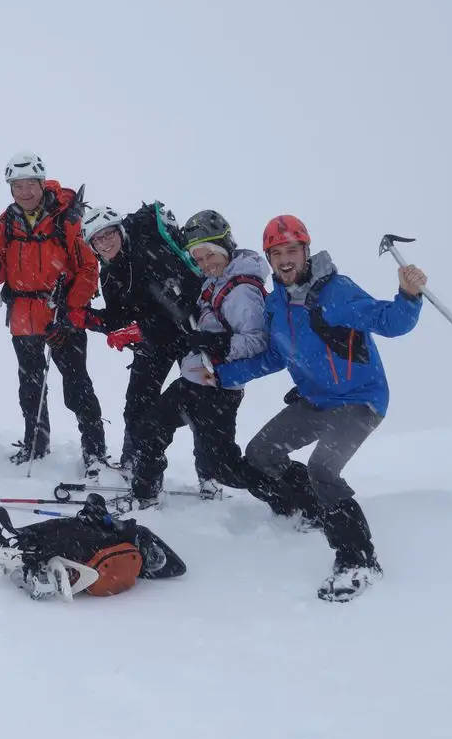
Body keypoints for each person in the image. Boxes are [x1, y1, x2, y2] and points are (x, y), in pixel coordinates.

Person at [210, 214, 427, 602]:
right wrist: (224, 375)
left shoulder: (336, 292)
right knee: (260, 454)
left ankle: (359, 559)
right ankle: (308, 508)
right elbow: (276, 356)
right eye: (276, 253)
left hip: (360, 400)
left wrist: (409, 296)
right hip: (315, 400)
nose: (285, 259)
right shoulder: (276, 304)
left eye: (292, 249)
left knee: (322, 468)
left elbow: (388, 321)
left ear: (306, 251)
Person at [121, 209, 291, 511]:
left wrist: (218, 343)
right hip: (196, 380)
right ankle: (144, 496)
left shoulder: (243, 291)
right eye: (198, 259)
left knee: (224, 468)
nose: (205, 265)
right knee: (150, 429)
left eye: (209, 256)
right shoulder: (215, 281)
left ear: (224, 246)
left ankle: (290, 493)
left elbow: (257, 341)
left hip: (218, 389)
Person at [0, 152, 108, 475]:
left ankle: (94, 450)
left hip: (63, 311)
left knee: (76, 385)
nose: (24, 192)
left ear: (41, 182)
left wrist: (69, 311)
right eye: (17, 186)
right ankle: (36, 441)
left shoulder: (67, 220)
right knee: (30, 385)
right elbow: (3, 274)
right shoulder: (6, 221)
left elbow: (89, 269)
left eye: (30, 184)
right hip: (23, 312)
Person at [79, 203, 203, 473]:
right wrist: (89, 319)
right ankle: (134, 463)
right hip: (154, 343)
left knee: (200, 406)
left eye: (109, 234)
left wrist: (139, 329)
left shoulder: (151, 253)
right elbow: (118, 317)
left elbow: (176, 307)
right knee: (136, 405)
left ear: (120, 231)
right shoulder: (109, 273)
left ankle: (208, 474)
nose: (105, 242)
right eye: (97, 239)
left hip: (188, 335)